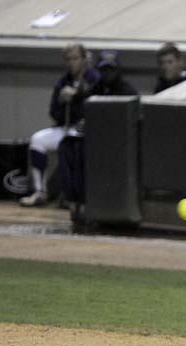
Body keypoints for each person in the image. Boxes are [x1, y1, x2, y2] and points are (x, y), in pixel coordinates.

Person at [57, 50, 138, 225]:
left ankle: (91, 204)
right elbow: (80, 115)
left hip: (119, 146)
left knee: (86, 152)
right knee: (69, 146)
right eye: (104, 70)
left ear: (118, 70)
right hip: (96, 142)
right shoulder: (95, 88)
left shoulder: (127, 90)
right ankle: (75, 200)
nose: (107, 74)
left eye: (111, 70)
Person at [19, 43, 100, 207]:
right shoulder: (63, 82)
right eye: (68, 59)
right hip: (66, 126)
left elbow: (95, 108)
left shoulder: (94, 79)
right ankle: (40, 192)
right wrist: (62, 101)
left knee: (74, 143)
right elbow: (54, 113)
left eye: (75, 58)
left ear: (84, 59)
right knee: (38, 140)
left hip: (88, 129)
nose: (72, 63)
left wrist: (77, 96)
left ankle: (75, 196)